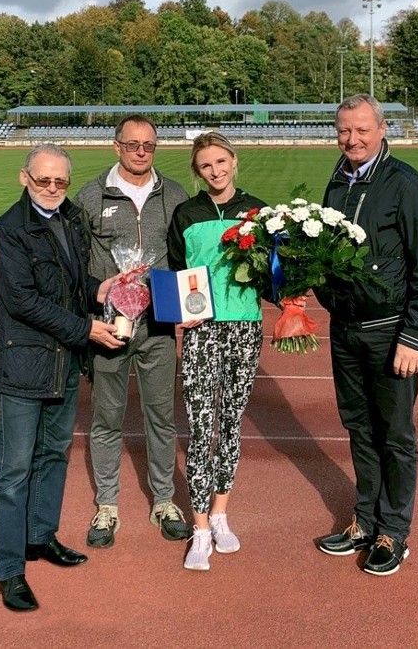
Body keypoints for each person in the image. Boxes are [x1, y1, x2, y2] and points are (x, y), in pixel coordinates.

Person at [0, 143, 123, 612]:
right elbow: (23, 301)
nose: (51, 189)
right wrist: (87, 328)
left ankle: (40, 538)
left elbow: (69, 286)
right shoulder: (8, 232)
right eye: (43, 180)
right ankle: (9, 570)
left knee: (53, 456)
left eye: (60, 182)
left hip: (64, 363)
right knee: (13, 471)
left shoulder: (69, 221)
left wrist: (99, 289)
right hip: (24, 367)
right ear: (23, 177)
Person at [314, 94, 418, 576]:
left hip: (390, 332)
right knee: (359, 429)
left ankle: (394, 530)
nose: (352, 139)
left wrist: (416, 336)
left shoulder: (404, 185)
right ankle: (364, 520)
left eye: (362, 130)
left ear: (383, 128)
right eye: (344, 131)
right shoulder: (337, 180)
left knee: (394, 435)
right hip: (346, 330)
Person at [74, 114, 191, 548]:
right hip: (109, 327)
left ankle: (163, 499)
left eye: (149, 146)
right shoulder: (89, 195)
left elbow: (185, 258)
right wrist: (90, 311)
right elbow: (76, 264)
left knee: (161, 415)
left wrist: (188, 302)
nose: (141, 152)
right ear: (116, 146)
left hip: (158, 327)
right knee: (105, 418)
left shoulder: (174, 194)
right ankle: (107, 505)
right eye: (132, 144)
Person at [167, 132, 267, 571]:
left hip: (245, 328)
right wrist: (178, 318)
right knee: (201, 426)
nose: (216, 170)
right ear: (197, 171)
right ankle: (200, 528)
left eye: (221, 161)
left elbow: (272, 272)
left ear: (234, 161)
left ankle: (222, 513)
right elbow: (174, 273)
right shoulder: (185, 214)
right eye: (206, 165)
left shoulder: (258, 210)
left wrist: (292, 300)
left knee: (230, 424)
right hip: (202, 331)